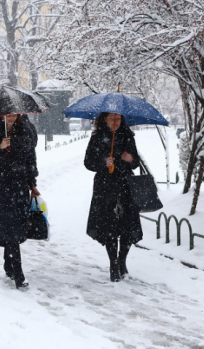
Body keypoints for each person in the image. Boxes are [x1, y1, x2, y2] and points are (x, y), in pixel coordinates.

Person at [0, 113, 40, 289]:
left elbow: (30, 159)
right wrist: (0, 147)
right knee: (10, 227)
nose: (12, 117)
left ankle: (8, 263)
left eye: (14, 113)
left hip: (20, 185)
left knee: (16, 227)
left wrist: (32, 184)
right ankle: (18, 273)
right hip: (3, 186)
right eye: (7, 114)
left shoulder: (25, 131)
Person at [84, 112, 143, 282]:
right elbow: (88, 162)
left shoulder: (128, 137)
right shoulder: (97, 138)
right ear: (104, 119)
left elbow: (136, 162)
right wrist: (104, 162)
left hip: (125, 185)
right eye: (112, 118)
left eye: (118, 118)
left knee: (127, 225)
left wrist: (130, 159)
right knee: (109, 226)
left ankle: (122, 260)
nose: (115, 122)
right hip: (105, 186)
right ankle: (113, 263)